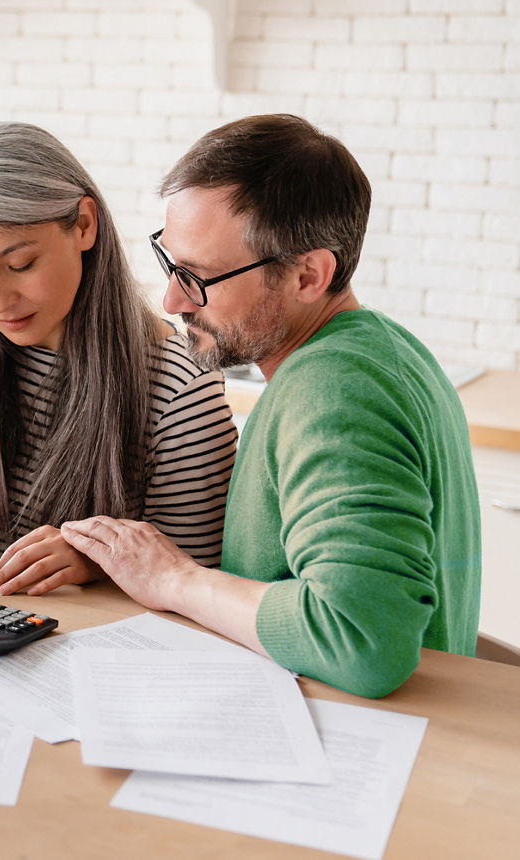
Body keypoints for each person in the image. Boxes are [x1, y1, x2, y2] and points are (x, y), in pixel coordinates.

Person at [61, 114, 481, 698]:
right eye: (169, 262)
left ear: (309, 274)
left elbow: (362, 640)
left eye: (198, 275)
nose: (172, 298)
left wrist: (175, 578)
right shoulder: (388, 349)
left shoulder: (332, 390)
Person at [0, 122, 238, 595]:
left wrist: (97, 561)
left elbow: (198, 576)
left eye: (20, 265)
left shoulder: (178, 383)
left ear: (84, 225)